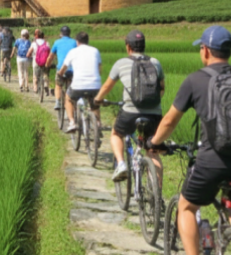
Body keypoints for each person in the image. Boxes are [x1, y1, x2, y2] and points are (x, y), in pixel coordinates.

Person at [148, 26, 231, 255]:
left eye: (201, 48)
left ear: (206, 50)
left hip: (213, 161)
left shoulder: (195, 80)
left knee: (187, 206)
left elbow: (170, 120)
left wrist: (154, 143)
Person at [93, 30, 165, 182]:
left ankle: (121, 164)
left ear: (128, 47)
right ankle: (157, 199)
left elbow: (107, 86)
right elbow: (162, 89)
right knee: (153, 151)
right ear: (144, 46)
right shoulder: (155, 63)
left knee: (116, 134)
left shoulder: (121, 63)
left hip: (130, 112)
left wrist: (98, 99)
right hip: (154, 114)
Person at [58, 31, 102, 134]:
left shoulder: (73, 52)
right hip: (95, 85)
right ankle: (98, 124)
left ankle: (72, 122)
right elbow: (100, 70)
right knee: (94, 104)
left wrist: (60, 74)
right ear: (88, 41)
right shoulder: (95, 51)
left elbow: (63, 68)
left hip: (78, 85)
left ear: (77, 42)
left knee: (68, 98)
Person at [47, 26, 78, 111]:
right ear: (69, 33)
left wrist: (47, 64)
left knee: (58, 85)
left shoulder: (57, 42)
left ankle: (57, 102)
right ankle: (73, 103)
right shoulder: (74, 42)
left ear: (61, 34)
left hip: (61, 69)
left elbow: (51, 56)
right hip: (72, 69)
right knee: (71, 85)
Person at [28, 29, 52, 96]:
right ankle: (46, 85)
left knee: (35, 75)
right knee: (46, 74)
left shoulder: (34, 43)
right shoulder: (47, 43)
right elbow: (49, 53)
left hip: (36, 61)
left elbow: (29, 53)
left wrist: (28, 55)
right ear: (43, 36)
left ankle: (35, 88)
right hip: (45, 61)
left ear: (36, 36)